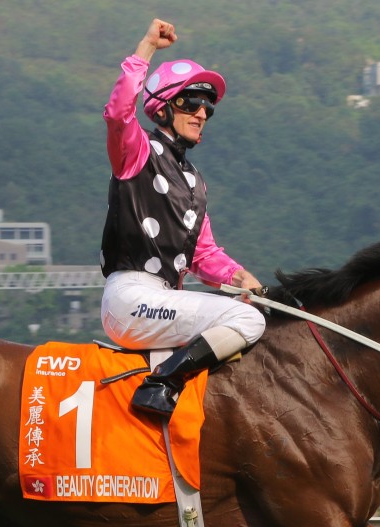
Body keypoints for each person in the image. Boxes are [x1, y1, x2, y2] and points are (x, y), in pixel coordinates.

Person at [100, 18, 266, 418]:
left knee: (257, 311)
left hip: (163, 298)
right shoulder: (137, 151)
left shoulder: (194, 182)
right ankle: (162, 384)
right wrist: (146, 47)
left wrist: (241, 277)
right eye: (191, 103)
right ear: (162, 107)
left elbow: (204, 254)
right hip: (131, 297)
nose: (202, 112)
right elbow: (118, 113)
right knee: (247, 320)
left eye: (208, 106)